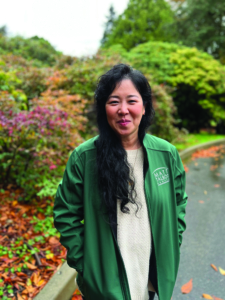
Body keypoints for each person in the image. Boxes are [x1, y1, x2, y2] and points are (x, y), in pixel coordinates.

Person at [53, 64, 188, 300]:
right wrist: (86, 265)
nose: (123, 110)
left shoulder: (166, 154)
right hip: (105, 284)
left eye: (132, 101)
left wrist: (171, 247)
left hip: (150, 275)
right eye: (114, 101)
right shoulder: (85, 158)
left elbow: (178, 205)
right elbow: (66, 213)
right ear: (104, 109)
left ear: (144, 107)